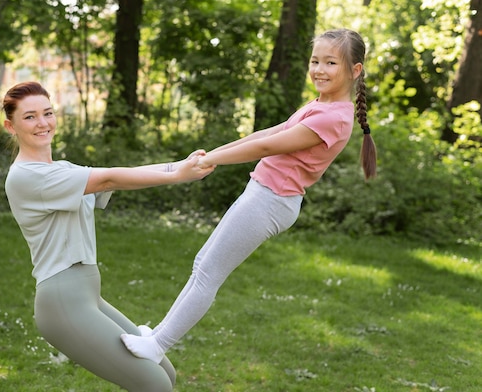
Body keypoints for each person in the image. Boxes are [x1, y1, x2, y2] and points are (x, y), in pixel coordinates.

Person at [121, 28, 378, 364]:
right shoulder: (321, 105)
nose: (318, 69)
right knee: (202, 265)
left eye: (330, 62)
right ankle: (156, 335)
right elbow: (268, 133)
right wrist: (210, 153)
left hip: (272, 200)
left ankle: (158, 346)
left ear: (354, 70)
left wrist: (213, 159)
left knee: (210, 272)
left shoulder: (335, 117)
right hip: (264, 193)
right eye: (315, 60)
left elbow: (268, 147)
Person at [2, 81, 214, 392]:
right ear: (11, 126)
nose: (43, 123)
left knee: (164, 371)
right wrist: (177, 177)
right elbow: (109, 177)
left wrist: (177, 166)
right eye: (30, 117)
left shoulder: (60, 169)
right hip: (63, 301)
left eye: (48, 113)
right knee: (154, 385)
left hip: (88, 294)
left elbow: (115, 176)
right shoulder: (26, 176)